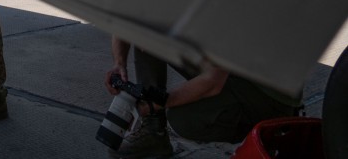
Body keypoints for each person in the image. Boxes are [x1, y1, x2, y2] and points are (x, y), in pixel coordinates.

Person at [104, 37, 302, 157]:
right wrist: (118, 63)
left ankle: (262, 133)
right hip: (237, 70)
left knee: (183, 118)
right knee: (147, 36)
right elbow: (126, 15)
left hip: (268, 96)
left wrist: (160, 102)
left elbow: (213, 82)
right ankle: (153, 134)